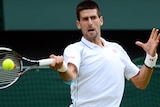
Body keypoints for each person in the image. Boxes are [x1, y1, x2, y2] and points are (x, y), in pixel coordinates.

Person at [49, 0, 160, 107]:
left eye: (93, 18)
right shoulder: (74, 49)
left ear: (101, 20)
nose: (90, 23)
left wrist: (151, 57)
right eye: (85, 19)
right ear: (78, 24)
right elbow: (70, 76)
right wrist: (62, 68)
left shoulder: (117, 49)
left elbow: (140, 82)